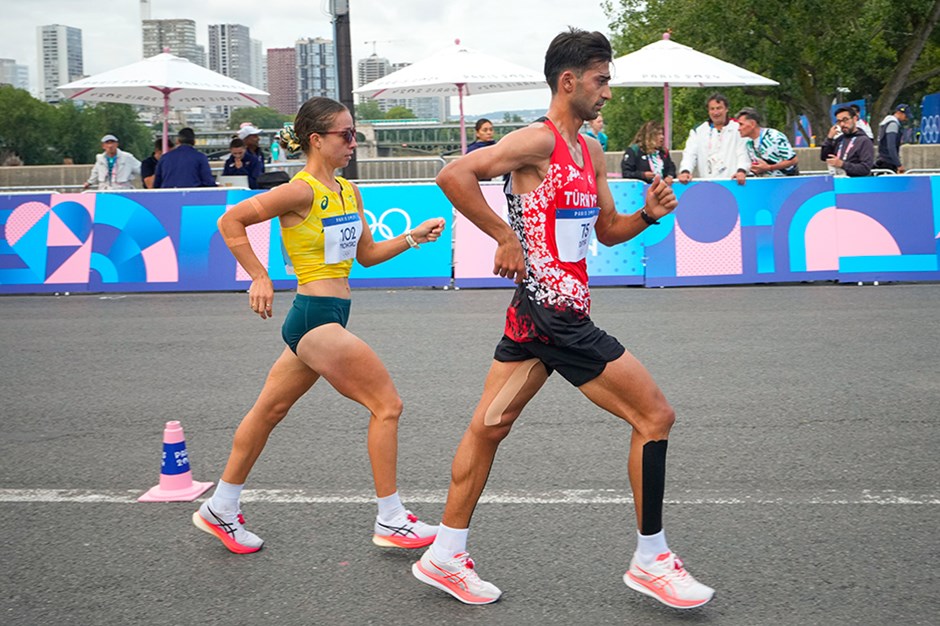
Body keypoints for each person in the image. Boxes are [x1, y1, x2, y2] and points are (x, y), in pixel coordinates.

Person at [411, 28, 714, 610]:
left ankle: (445, 553)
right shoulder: (536, 141)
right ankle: (651, 560)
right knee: (655, 414)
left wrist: (647, 216)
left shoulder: (590, 151)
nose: (607, 92)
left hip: (544, 313)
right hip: (553, 314)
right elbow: (454, 175)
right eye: (601, 81)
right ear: (568, 81)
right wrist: (505, 235)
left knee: (489, 426)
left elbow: (604, 231)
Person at [192, 96, 446, 555]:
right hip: (314, 319)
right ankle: (391, 519)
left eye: (354, 133)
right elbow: (231, 221)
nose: (353, 142)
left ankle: (220, 507)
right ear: (316, 140)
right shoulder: (300, 190)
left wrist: (412, 237)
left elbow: (365, 256)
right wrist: (259, 275)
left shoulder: (349, 191)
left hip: (327, 317)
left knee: (269, 411)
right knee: (387, 405)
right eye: (345, 135)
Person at [677, 93, 749, 185]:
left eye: (719, 108)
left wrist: (742, 170)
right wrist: (685, 171)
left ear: (726, 109)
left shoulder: (738, 128)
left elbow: (743, 153)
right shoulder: (698, 130)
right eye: (712, 109)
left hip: (733, 183)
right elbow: (690, 154)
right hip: (707, 183)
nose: (715, 112)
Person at [735, 107, 798, 177]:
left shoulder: (774, 136)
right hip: (765, 183)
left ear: (752, 124)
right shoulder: (749, 143)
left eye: (741, 124)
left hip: (785, 182)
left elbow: (793, 160)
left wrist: (769, 167)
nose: (738, 129)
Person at [820, 106, 874, 177]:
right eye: (839, 121)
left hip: (856, 183)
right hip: (838, 180)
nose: (842, 124)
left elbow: (865, 168)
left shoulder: (864, 141)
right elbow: (824, 157)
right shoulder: (840, 139)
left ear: (855, 119)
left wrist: (842, 164)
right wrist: (829, 138)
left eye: (845, 120)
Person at [621, 120, 676, 184]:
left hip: (662, 189)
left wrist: (670, 176)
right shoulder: (634, 151)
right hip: (641, 190)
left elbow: (671, 167)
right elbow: (626, 173)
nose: (662, 137)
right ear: (649, 136)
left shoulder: (663, 152)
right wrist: (642, 175)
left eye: (662, 134)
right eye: (658, 134)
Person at [874, 104, 911, 173]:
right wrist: (898, 164)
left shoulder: (885, 123)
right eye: (905, 116)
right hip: (888, 163)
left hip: (882, 160)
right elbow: (891, 146)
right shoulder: (893, 125)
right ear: (899, 113)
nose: (906, 119)